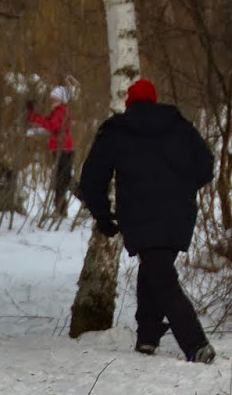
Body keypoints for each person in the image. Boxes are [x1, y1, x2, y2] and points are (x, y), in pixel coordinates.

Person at [77, 77, 215, 363]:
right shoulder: (179, 125)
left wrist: (102, 214)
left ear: (129, 102)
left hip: (139, 215)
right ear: (153, 99)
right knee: (156, 268)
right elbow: (205, 167)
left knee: (161, 277)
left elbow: (92, 178)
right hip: (179, 215)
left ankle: (195, 344)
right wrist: (182, 189)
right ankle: (148, 337)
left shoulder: (117, 129)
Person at [25, 85, 74, 219]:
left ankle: (62, 209)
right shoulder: (58, 110)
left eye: (54, 98)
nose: (51, 101)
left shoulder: (61, 110)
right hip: (60, 148)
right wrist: (32, 115)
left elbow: (53, 125)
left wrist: (34, 116)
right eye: (51, 98)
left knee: (63, 180)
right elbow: (48, 123)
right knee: (63, 180)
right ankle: (62, 209)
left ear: (61, 99)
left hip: (63, 149)